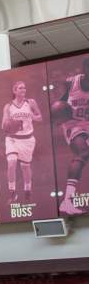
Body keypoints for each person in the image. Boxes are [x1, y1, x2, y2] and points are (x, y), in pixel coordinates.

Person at [1, 81, 42, 203]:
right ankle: (12, 192)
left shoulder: (31, 102)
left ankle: (27, 190)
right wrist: (8, 124)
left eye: (24, 87)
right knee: (11, 163)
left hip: (27, 140)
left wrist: (32, 116)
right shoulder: (8, 106)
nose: (23, 90)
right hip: (12, 138)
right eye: (20, 88)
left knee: (25, 167)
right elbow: (3, 124)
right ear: (15, 91)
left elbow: (40, 117)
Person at [58, 58, 89, 214]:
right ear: (84, 69)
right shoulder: (72, 83)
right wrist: (57, 114)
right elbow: (59, 105)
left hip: (87, 123)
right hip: (73, 124)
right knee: (83, 152)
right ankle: (67, 201)